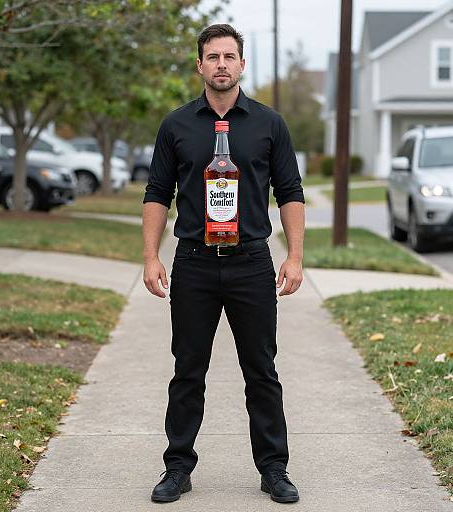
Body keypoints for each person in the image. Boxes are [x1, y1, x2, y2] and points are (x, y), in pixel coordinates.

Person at [142, 23, 305, 504]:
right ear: (199, 65)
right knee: (188, 369)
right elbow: (157, 194)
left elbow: (290, 193)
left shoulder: (269, 123)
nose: (221, 64)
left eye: (229, 56)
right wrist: (151, 256)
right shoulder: (176, 126)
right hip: (192, 261)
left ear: (242, 64)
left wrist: (294, 257)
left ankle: (274, 469)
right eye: (212, 56)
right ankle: (177, 468)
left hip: (251, 263)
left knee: (261, 370)